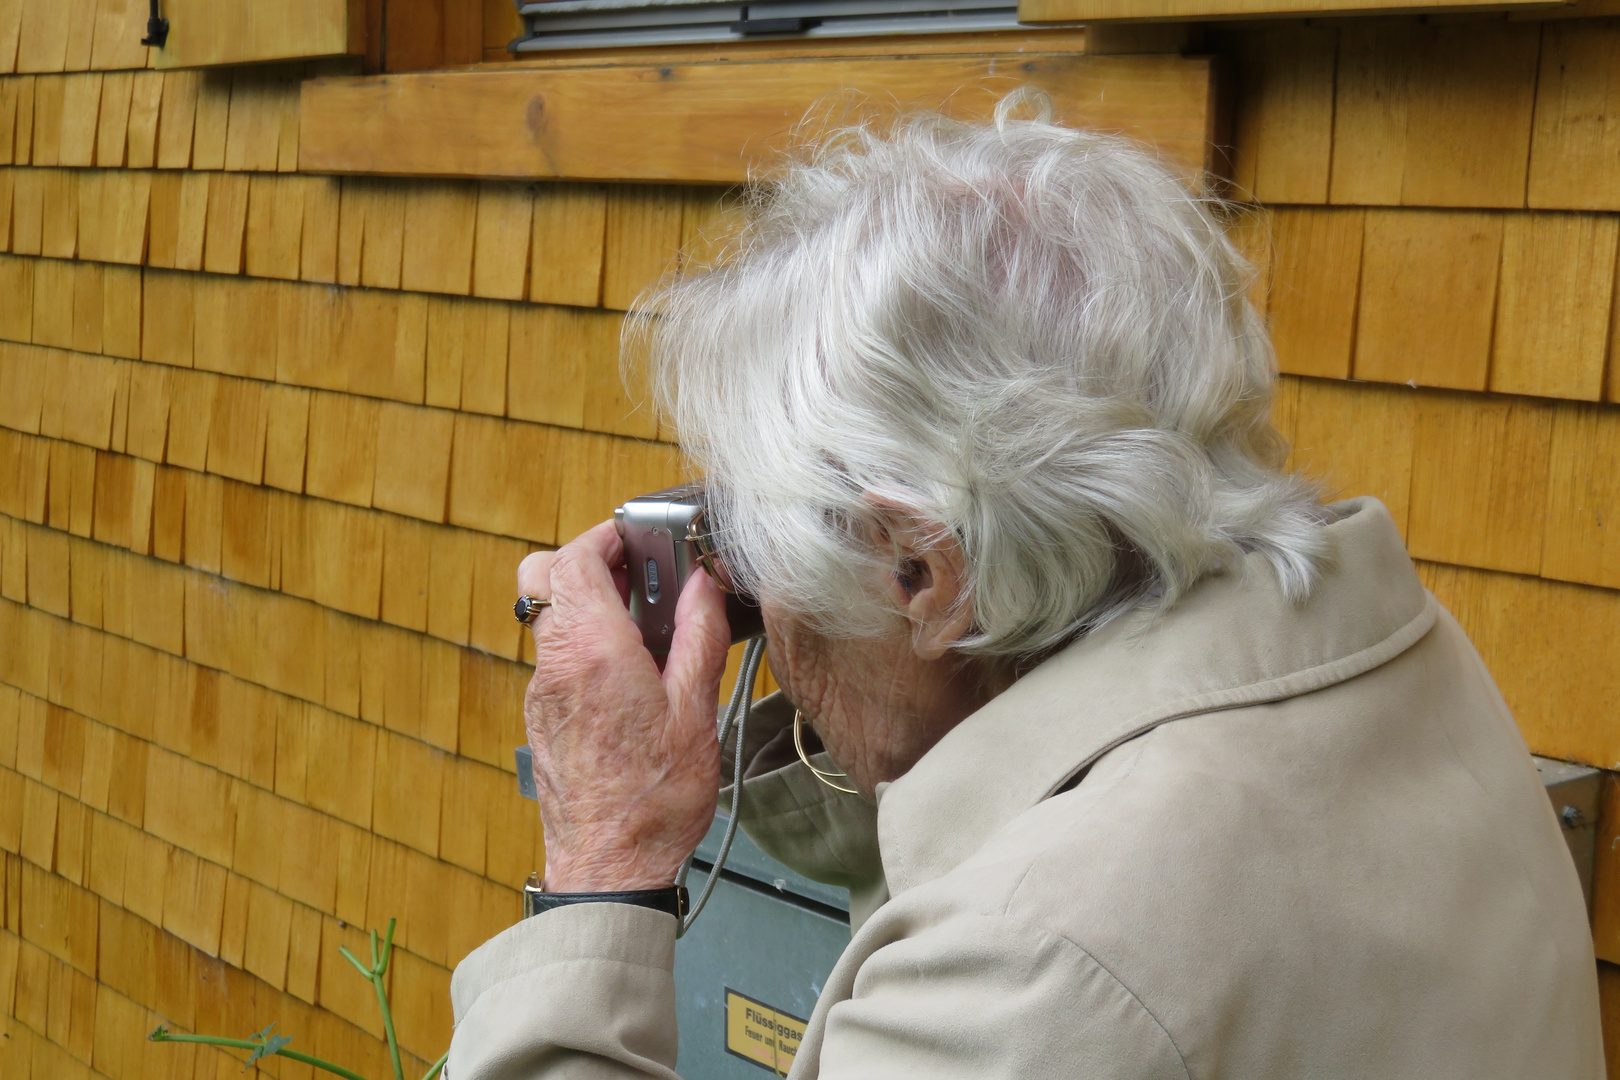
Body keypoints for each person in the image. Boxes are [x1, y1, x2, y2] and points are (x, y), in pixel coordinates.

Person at [446, 100, 1602, 1078]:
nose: (752, 598)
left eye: (754, 542)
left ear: (923, 574)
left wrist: (604, 871)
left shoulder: (1032, 965)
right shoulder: (1390, 657)